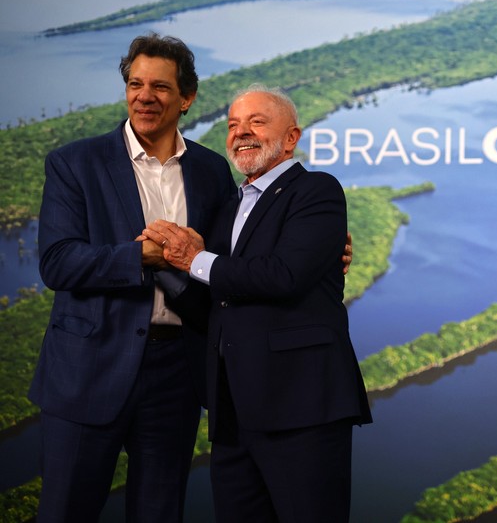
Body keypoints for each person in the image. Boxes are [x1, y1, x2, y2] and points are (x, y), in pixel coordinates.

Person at [29, 33, 238, 523]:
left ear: (186, 98)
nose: (145, 96)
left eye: (161, 87)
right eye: (136, 84)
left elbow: (234, 256)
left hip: (176, 375)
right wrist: (144, 257)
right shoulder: (75, 163)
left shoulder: (211, 170)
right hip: (87, 369)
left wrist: (320, 248)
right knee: (64, 513)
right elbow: (57, 262)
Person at [143, 84, 372, 523]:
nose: (241, 132)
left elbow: (283, 276)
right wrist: (161, 263)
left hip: (300, 407)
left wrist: (195, 258)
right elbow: (217, 302)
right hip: (232, 412)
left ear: (291, 138)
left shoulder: (316, 191)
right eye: (232, 125)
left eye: (256, 122)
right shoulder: (230, 206)